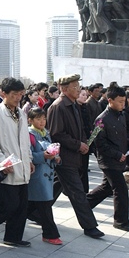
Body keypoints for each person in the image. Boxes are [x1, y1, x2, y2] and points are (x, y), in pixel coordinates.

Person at [47, 74, 104, 238]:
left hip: (74, 156)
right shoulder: (58, 107)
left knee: (56, 187)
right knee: (78, 192)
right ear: (64, 89)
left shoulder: (74, 105)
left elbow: (78, 129)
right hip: (65, 156)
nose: (79, 89)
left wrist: (84, 141)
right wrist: (78, 145)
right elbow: (56, 134)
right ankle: (89, 226)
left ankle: (32, 211)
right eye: (75, 87)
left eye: (79, 86)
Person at [0, 77, 35, 247]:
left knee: (21, 206)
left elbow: (25, 140)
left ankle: (13, 236)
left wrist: (29, 159)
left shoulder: (21, 113)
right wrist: (2, 163)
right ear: (3, 93)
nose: (18, 97)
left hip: (22, 165)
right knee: (7, 206)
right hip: (7, 167)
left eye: (20, 94)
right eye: (14, 94)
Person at [88, 85, 129, 232]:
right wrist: (117, 154)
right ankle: (121, 221)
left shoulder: (121, 115)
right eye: (120, 101)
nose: (123, 105)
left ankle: (83, 204)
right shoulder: (101, 119)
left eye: (124, 101)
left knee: (106, 188)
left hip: (119, 159)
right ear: (110, 100)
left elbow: (122, 137)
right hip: (108, 160)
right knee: (121, 189)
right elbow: (99, 143)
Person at [27, 108, 62, 245]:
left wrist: (56, 157)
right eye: (38, 119)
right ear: (30, 120)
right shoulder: (29, 134)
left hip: (47, 172)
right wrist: (43, 156)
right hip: (37, 174)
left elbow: (52, 148)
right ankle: (50, 234)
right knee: (44, 204)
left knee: (29, 205)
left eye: (43, 119)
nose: (42, 122)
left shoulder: (46, 132)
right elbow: (28, 155)